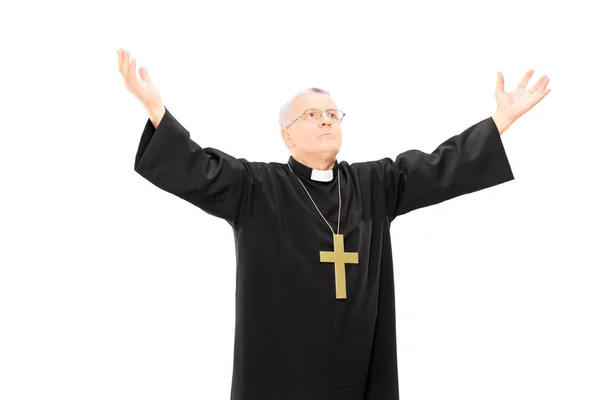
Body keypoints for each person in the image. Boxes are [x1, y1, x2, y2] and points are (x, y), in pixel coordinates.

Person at [117, 48, 550, 400]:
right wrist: (157, 110)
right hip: (283, 375)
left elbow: (442, 167)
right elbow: (198, 169)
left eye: (332, 113)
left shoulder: (373, 183)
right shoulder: (257, 187)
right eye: (312, 114)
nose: (326, 119)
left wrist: (501, 121)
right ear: (286, 135)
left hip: (358, 369)